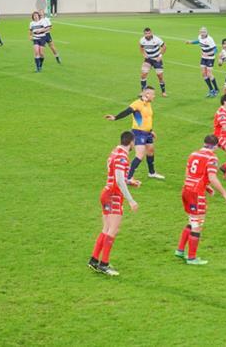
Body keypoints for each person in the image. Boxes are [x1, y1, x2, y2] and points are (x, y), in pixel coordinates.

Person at [175, 135, 226, 265]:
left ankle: (180, 250)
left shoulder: (193, 154)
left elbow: (189, 174)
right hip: (196, 193)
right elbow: (212, 177)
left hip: (186, 190)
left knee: (192, 220)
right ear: (216, 146)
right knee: (197, 224)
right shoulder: (212, 158)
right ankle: (192, 258)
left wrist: (206, 187)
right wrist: (224, 193)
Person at [88, 131, 139, 276]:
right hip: (113, 195)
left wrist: (131, 182)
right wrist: (131, 200)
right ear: (130, 142)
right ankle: (104, 265)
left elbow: (116, 176)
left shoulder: (114, 152)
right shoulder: (122, 157)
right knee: (113, 230)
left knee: (106, 228)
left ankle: (94, 260)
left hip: (106, 193)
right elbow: (119, 180)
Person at [104, 87, 164, 182]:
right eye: (153, 94)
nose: (154, 96)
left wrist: (151, 130)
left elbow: (147, 118)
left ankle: (151, 173)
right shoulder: (137, 104)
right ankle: (128, 177)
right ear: (147, 94)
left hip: (147, 133)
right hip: (139, 133)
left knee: (150, 151)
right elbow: (127, 111)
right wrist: (115, 117)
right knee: (140, 155)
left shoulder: (148, 103)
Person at [185, 26, 218, 97]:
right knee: (203, 73)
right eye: (201, 32)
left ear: (207, 32)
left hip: (210, 58)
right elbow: (198, 41)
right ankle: (211, 89)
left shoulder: (210, 39)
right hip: (203, 57)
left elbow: (216, 49)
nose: (202, 33)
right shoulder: (200, 37)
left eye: (204, 32)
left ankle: (216, 89)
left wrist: (208, 54)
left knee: (209, 74)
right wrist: (191, 42)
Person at [139, 28, 167, 97]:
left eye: (149, 33)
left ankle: (163, 92)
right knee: (143, 75)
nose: (147, 35)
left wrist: (160, 56)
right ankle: (143, 92)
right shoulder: (142, 40)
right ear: (144, 34)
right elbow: (141, 47)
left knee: (160, 76)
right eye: (146, 33)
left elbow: (164, 47)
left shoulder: (157, 39)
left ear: (151, 33)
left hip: (156, 59)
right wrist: (144, 55)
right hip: (148, 59)